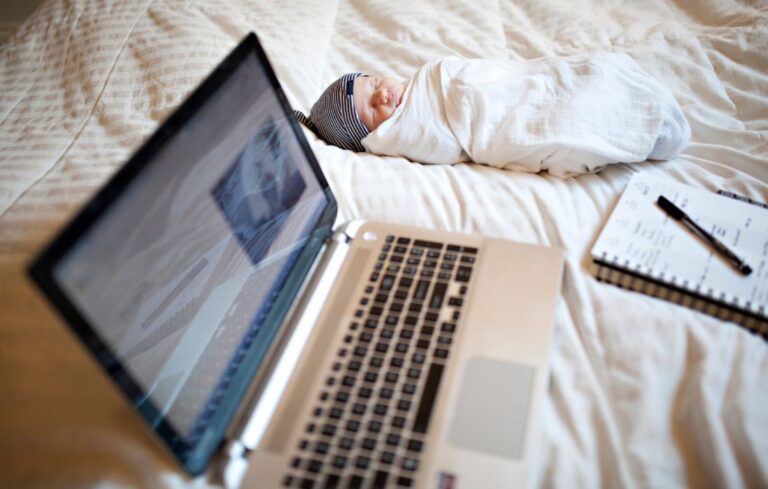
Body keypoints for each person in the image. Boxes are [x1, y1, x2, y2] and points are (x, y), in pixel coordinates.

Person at [295, 54, 690, 177]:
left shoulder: (424, 83)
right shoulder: (405, 134)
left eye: (375, 81)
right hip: (497, 120)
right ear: (370, 137)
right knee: (557, 122)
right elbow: (444, 137)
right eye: (373, 108)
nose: (384, 93)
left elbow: (466, 80)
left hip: (506, 87)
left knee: (558, 81)